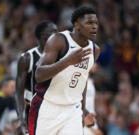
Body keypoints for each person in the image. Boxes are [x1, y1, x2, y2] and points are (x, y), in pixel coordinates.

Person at [28, 6, 100, 135]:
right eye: (89, 23)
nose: (94, 27)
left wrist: (83, 111)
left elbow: (82, 80)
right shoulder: (58, 40)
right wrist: (67, 61)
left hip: (72, 111)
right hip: (47, 106)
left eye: (95, 23)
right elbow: (39, 75)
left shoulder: (95, 50)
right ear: (77, 25)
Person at [15, 20, 57, 134]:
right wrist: (20, 119)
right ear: (44, 36)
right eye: (54, 32)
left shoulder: (61, 57)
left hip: (56, 111)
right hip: (34, 111)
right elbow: (18, 92)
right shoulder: (27, 58)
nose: (58, 35)